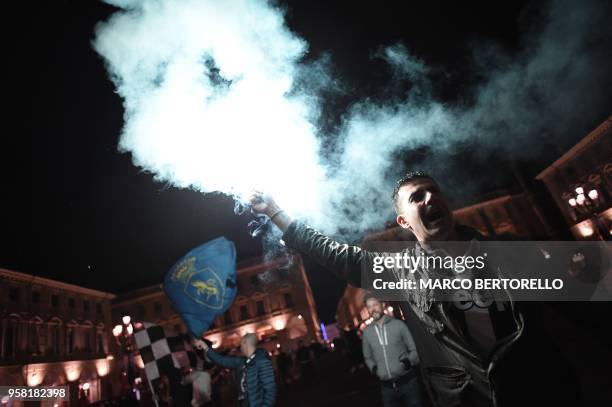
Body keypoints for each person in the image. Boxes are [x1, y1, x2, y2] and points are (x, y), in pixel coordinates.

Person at [248, 171, 586, 407]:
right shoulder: (400, 270)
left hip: (543, 391)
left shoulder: (509, 252)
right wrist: (276, 213)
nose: (431, 198)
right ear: (404, 221)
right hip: (470, 400)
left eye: (435, 191)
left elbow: (581, 311)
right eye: (417, 196)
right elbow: (334, 254)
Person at [361, 292, 424, 407]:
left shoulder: (399, 325)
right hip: (386, 388)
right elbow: (367, 357)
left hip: (408, 383)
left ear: (382, 304)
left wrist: (407, 362)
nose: (372, 309)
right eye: (369, 307)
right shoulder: (367, 333)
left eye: (375, 304)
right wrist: (375, 369)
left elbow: (414, 349)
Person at [194, 333, 276, 407]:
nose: (240, 347)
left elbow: (270, 390)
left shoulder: (262, 361)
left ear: (245, 344)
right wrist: (205, 347)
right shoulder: (241, 361)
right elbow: (221, 360)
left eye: (241, 345)